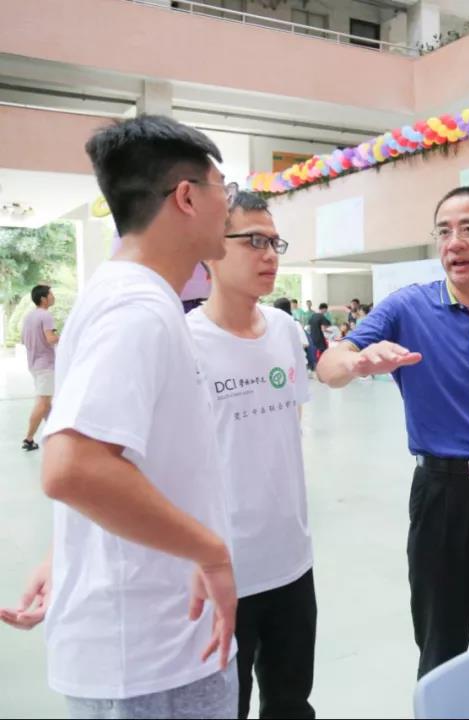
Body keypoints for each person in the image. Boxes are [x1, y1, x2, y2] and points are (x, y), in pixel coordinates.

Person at [0, 115, 239, 718]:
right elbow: (73, 468)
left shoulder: (127, 296)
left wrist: (65, 552)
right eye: (223, 189)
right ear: (186, 196)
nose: (229, 207)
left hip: (155, 640)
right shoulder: (136, 307)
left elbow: (120, 459)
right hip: (149, 657)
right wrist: (211, 552)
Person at [316, 186, 469, 678]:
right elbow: (329, 366)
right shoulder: (407, 309)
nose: (454, 242)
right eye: (444, 231)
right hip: (441, 496)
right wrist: (357, 361)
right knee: (440, 640)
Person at [188, 193, 316, 719]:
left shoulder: (284, 330)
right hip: (222, 570)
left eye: (275, 243)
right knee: (226, 707)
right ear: (211, 249)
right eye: (254, 241)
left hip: (292, 562)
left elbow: (290, 422)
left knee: (291, 703)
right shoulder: (184, 341)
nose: (269, 255)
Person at [21, 284, 59, 451]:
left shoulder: (29, 316)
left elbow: (24, 340)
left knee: (47, 403)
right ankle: (29, 439)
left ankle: (55, 437)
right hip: (46, 365)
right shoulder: (46, 315)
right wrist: (66, 337)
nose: (53, 297)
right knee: (43, 403)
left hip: (34, 364)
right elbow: (50, 338)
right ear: (43, 299)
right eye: (51, 294)